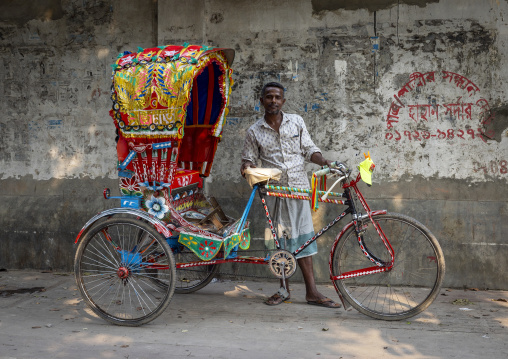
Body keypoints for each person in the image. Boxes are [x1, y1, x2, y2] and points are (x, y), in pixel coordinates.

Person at [240, 82, 341, 308]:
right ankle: (283, 290)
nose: (273, 101)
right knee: (279, 243)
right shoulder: (254, 131)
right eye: (269, 97)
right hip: (273, 192)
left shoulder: (296, 121)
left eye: (277, 97)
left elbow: (309, 150)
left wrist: (324, 161)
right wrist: (247, 167)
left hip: (298, 190)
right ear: (262, 101)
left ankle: (312, 292)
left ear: (283, 101)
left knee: (304, 239)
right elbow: (247, 159)